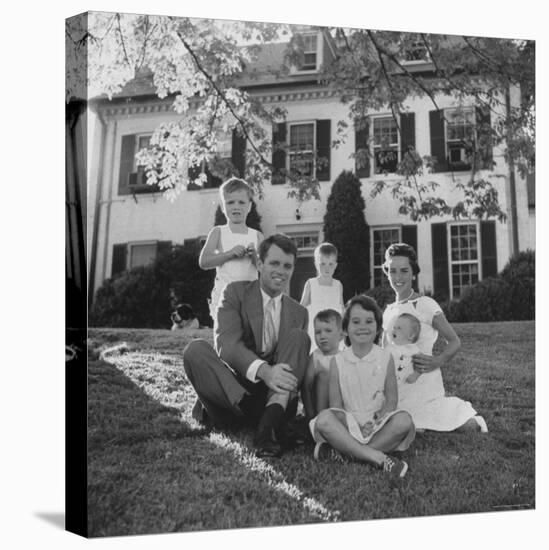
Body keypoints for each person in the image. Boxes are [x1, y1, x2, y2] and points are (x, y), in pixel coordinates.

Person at [183, 234, 310, 458]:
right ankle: (257, 418)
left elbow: (295, 358)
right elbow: (227, 344)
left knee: (299, 338)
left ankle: (267, 425)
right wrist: (265, 371)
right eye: (274, 263)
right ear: (259, 264)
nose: (281, 271)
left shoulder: (299, 312)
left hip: (273, 395)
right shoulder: (235, 293)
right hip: (235, 390)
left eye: (287, 266)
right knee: (195, 351)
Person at [382, 243, 488, 433]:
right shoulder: (388, 311)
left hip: (422, 382)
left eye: (404, 271)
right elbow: (384, 351)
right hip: (395, 383)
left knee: (438, 422)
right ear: (387, 272)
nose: (398, 277)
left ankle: (464, 419)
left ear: (413, 273)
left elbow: (455, 341)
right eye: (392, 271)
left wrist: (437, 361)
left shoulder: (425, 305)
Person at [310, 295, 415, 481]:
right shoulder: (338, 361)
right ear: (345, 329)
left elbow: (391, 400)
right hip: (347, 424)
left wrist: (375, 421)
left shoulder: (385, 357)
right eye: (356, 322)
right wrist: (353, 426)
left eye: (369, 321)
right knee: (324, 419)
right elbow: (336, 405)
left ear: (377, 327)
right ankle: (377, 457)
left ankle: (346, 453)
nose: (362, 327)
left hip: (377, 424)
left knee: (404, 421)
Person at [199, 177, 263, 323]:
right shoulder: (218, 232)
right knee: (226, 336)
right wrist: (229, 254)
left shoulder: (257, 236)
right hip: (225, 297)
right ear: (223, 206)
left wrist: (254, 257)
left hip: (249, 298)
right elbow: (204, 261)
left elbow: (265, 268)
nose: (236, 206)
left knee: (248, 338)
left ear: (249, 206)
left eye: (241, 202)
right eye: (230, 202)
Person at [302, 309, 343, 421]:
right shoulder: (316, 357)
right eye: (318, 332)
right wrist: (310, 416)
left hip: (339, 408)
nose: (322, 336)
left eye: (328, 331)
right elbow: (306, 387)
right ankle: (319, 421)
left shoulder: (344, 357)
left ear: (341, 335)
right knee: (324, 375)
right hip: (319, 410)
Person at [300, 243, 344, 348]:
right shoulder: (311, 283)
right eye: (322, 264)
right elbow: (301, 308)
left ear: (335, 265)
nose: (327, 268)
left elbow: (342, 309)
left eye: (330, 264)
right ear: (316, 264)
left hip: (333, 332)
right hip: (315, 332)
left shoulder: (338, 285)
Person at [386, 312, 423, 386]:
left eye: (399, 328)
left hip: (404, 383)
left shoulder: (412, 349)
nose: (394, 330)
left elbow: (421, 363)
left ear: (411, 335)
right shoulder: (390, 347)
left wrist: (415, 375)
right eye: (394, 327)